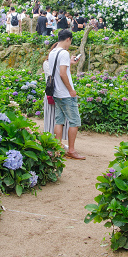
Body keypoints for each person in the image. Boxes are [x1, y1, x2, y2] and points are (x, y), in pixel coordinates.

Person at [48, 29, 84, 159]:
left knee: (59, 120)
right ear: (68, 39)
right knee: (75, 121)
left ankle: (58, 147)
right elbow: (62, 73)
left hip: (56, 92)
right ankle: (71, 150)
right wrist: (71, 90)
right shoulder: (64, 53)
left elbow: (57, 68)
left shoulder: (53, 52)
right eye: (70, 41)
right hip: (65, 93)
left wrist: (70, 63)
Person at [42, 42, 69, 144]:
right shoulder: (47, 63)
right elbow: (52, 77)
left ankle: (59, 142)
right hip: (52, 93)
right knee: (50, 119)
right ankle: (50, 141)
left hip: (62, 93)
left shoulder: (61, 64)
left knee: (61, 119)